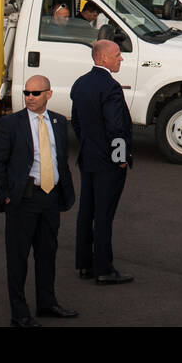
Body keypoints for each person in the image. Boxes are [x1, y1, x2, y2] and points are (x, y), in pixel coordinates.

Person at [0, 75, 78, 327]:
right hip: (23, 199)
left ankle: (47, 303)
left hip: (51, 198)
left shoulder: (59, 122)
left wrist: (64, 196)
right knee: (18, 259)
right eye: (27, 92)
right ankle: (19, 313)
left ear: (48, 95)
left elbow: (61, 160)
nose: (29, 97)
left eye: (36, 93)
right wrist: (5, 195)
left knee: (47, 254)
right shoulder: (10, 123)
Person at [71, 39, 134, 285]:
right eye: (117, 55)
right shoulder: (110, 87)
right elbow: (116, 127)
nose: (121, 59)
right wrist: (120, 158)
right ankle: (104, 268)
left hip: (88, 158)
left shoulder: (81, 84)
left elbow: (76, 122)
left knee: (86, 213)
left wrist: (89, 145)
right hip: (108, 164)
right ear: (103, 58)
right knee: (104, 215)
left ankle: (84, 264)